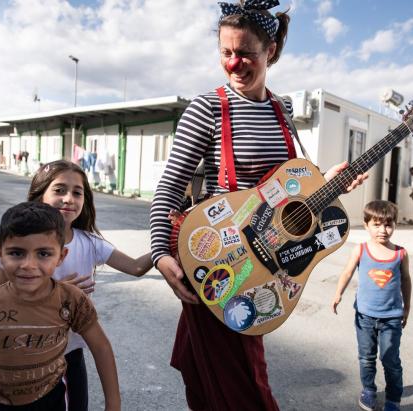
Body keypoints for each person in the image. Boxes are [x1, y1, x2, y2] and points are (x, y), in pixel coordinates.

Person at [150, 2, 367, 409]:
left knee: (211, 374)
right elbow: (170, 185)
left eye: (245, 53)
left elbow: (283, 186)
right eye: (226, 53)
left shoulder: (282, 108)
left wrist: (329, 179)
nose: (234, 63)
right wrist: (161, 253)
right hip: (221, 256)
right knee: (246, 385)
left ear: (271, 50)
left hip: (267, 263)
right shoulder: (208, 108)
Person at [0, 159, 152, 410]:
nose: (69, 199)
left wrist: (172, 242)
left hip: (70, 355)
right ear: (39, 195)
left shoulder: (91, 242)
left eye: (77, 192)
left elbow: (137, 267)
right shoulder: (17, 241)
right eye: (59, 190)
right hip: (22, 355)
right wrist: (49, 291)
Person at [0, 202, 121, 411]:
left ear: (61, 256)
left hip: (53, 400)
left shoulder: (72, 300)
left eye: (43, 254)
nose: (28, 265)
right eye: (16, 253)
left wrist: (113, 404)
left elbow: (101, 347)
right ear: (0, 253)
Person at [331, 200, 412, 411]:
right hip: (364, 317)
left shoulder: (400, 254)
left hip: (391, 318)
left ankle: (393, 399)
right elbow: (348, 272)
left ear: (394, 225)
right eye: (376, 224)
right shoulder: (361, 249)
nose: (383, 230)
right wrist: (338, 293)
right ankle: (368, 390)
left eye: (388, 224)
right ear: (366, 225)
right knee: (366, 358)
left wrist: (407, 307)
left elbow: (406, 281)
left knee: (390, 360)